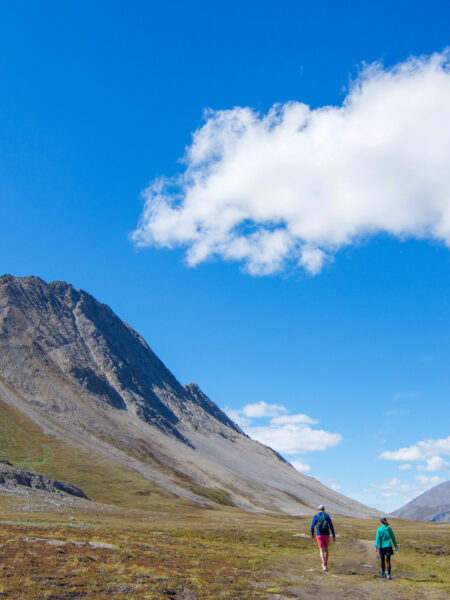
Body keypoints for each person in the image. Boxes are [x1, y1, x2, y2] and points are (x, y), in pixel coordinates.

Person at [310, 504, 336, 571]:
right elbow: (331, 526)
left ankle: (323, 563)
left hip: (319, 535)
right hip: (326, 535)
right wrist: (333, 535)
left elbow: (312, 527)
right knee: (326, 550)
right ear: (324, 509)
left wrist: (312, 534)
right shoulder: (327, 516)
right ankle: (325, 564)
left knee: (321, 550)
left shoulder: (316, 516)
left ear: (318, 509)